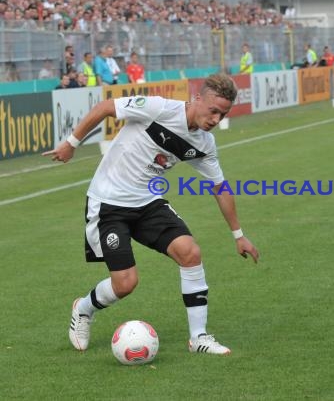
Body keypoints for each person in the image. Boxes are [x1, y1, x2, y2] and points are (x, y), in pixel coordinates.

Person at [42, 73, 260, 356]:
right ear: (197, 99)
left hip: (148, 203)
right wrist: (71, 142)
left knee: (190, 252)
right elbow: (106, 107)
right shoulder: (159, 108)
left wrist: (238, 235)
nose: (216, 119)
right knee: (126, 283)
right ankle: (83, 309)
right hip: (109, 203)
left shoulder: (204, 144)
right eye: (213, 111)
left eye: (223, 114)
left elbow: (220, 187)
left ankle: (199, 337)